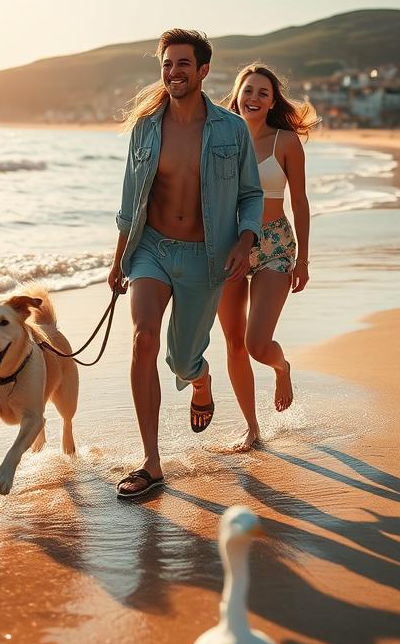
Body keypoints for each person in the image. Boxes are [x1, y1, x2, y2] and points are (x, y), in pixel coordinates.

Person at [108, 29, 263, 498]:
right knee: (143, 340)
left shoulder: (230, 130)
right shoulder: (145, 127)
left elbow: (251, 194)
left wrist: (245, 239)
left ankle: (200, 379)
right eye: (166, 64)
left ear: (202, 71)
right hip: (151, 249)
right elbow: (130, 201)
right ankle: (151, 463)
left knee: (180, 359)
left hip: (205, 257)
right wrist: (119, 260)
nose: (173, 72)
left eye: (182, 64)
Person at [218, 64, 317, 451]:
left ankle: (282, 367)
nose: (254, 98)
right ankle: (251, 427)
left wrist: (304, 260)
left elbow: (300, 201)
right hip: (230, 246)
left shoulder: (286, 142)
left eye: (263, 92)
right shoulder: (222, 138)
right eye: (248, 91)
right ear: (237, 95)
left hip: (275, 244)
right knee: (233, 342)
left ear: (273, 100)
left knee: (258, 344)